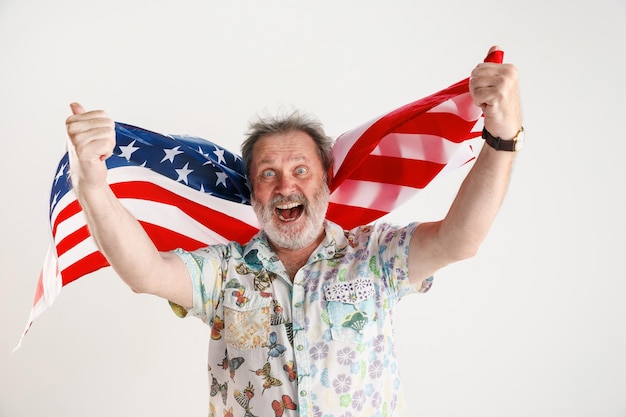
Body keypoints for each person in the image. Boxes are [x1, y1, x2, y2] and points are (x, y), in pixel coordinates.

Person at [65, 45, 523, 417]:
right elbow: (144, 272)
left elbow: (460, 239)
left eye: (301, 169)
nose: (286, 186)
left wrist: (502, 138)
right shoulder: (224, 272)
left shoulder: (375, 255)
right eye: (268, 173)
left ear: (325, 181)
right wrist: (92, 183)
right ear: (253, 193)